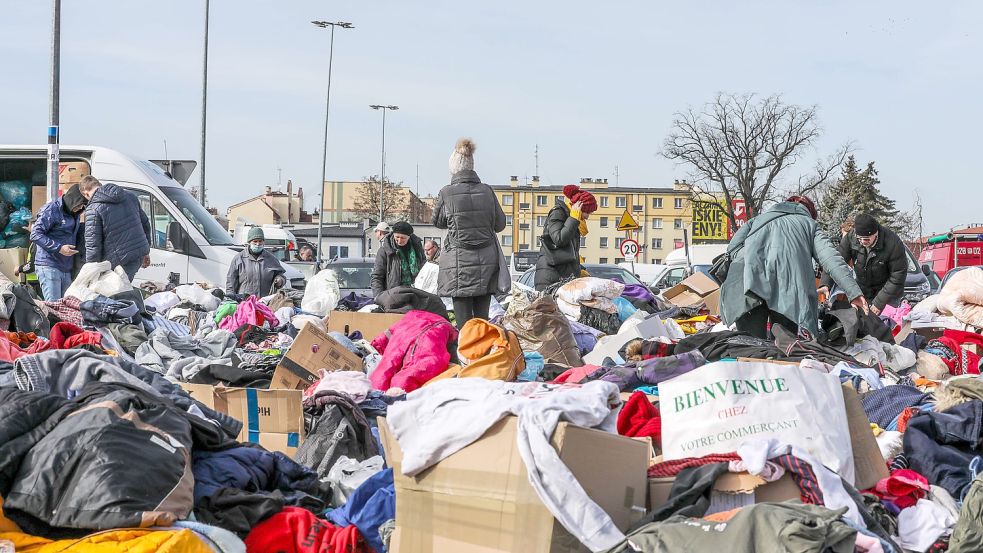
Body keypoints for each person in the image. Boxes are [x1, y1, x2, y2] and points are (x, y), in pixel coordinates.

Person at [720, 195, 869, 340]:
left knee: (749, 348)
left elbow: (732, 250)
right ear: (809, 212)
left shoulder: (755, 221)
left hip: (745, 286)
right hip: (787, 293)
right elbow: (831, 258)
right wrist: (853, 292)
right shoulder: (809, 225)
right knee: (784, 347)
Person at [433, 138, 509, 328]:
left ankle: (464, 355)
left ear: (453, 168)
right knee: (482, 321)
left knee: (464, 323)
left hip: (458, 266)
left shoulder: (446, 193)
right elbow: (500, 224)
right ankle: (483, 355)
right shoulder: (487, 191)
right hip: (486, 263)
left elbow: (438, 221)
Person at [818, 213, 908, 316]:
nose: (862, 242)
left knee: (885, 325)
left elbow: (897, 276)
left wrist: (879, 303)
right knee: (862, 324)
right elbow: (835, 261)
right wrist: (826, 283)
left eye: (866, 239)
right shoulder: (851, 237)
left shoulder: (893, 243)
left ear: (876, 233)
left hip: (888, 296)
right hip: (864, 290)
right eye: (859, 238)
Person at [79, 175, 152, 281]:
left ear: (86, 193)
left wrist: (91, 270)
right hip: (137, 255)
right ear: (99, 184)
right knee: (124, 288)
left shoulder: (93, 209)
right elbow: (145, 223)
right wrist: (145, 251)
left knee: (114, 294)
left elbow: (93, 244)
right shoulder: (130, 196)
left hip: (117, 261)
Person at [534, 184, 598, 291]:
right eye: (588, 212)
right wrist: (573, 218)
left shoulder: (573, 221)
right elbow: (559, 239)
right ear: (581, 207)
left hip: (561, 277)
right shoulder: (558, 213)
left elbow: (568, 253)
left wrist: (578, 270)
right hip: (550, 278)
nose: (588, 216)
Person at [30, 183, 87, 300]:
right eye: (79, 205)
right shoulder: (51, 209)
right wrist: (59, 248)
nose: (80, 209)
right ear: (72, 200)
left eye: (83, 206)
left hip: (66, 267)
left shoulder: (74, 214)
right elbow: (35, 234)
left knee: (66, 307)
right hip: (49, 265)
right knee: (54, 308)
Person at [226, 227, 286, 297]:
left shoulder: (271, 259)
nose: (258, 244)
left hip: (265, 302)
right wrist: (230, 298)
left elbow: (280, 274)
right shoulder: (239, 259)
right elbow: (231, 281)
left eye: (260, 241)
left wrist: (280, 280)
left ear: (264, 242)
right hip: (244, 303)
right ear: (249, 242)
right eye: (255, 241)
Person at [371, 221, 425, 297]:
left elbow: (424, 270)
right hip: (393, 295)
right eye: (397, 237)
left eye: (403, 238)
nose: (399, 241)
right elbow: (377, 277)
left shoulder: (417, 249)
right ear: (393, 234)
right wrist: (379, 297)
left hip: (416, 293)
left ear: (409, 237)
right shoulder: (384, 251)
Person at [15, 215, 40, 296]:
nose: (28, 227)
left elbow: (31, 265)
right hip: (36, 281)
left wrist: (19, 269)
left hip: (37, 281)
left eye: (30, 224)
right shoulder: (37, 242)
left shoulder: (37, 243)